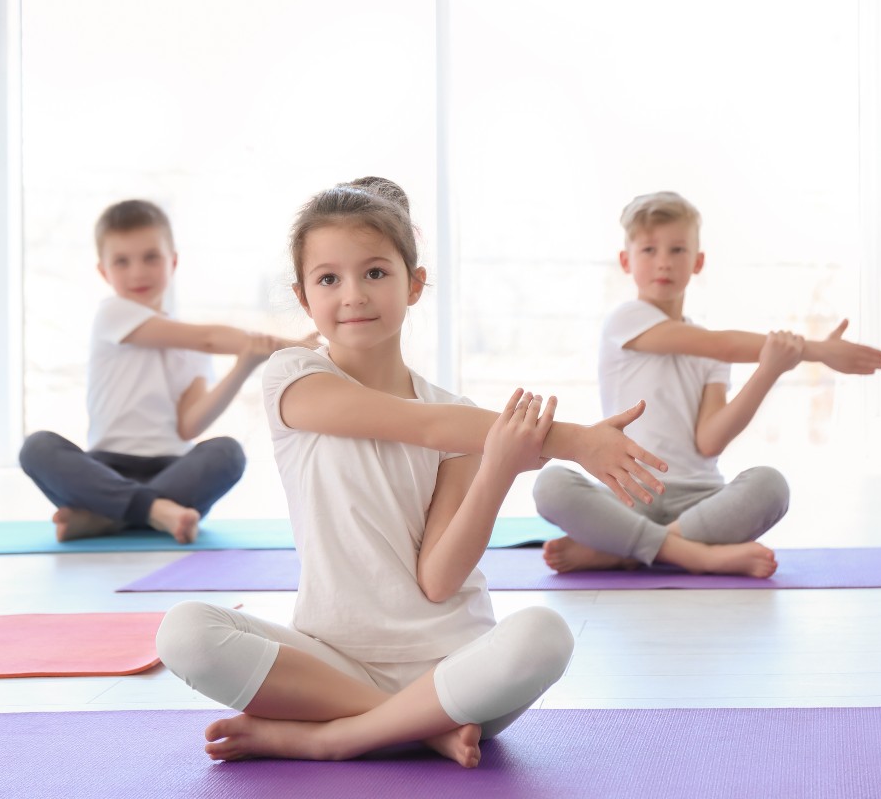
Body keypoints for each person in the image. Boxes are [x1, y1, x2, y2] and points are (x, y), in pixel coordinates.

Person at [156, 178, 668, 768]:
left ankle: (337, 738)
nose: (353, 295)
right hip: (330, 665)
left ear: (414, 284)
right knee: (185, 631)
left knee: (545, 635)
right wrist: (573, 439)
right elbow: (416, 425)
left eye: (375, 273)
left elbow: (438, 580)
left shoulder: (465, 425)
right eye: (329, 278)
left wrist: (500, 468)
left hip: (456, 674)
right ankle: (413, 729)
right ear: (303, 297)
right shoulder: (292, 378)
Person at [533, 190, 881, 579]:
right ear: (626, 261)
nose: (663, 262)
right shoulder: (626, 320)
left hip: (700, 501)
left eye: (678, 250)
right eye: (649, 250)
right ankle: (693, 555)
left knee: (771, 486)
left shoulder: (709, 350)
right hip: (628, 496)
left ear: (697, 261)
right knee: (551, 484)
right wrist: (817, 350)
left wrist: (769, 369)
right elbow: (722, 344)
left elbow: (710, 442)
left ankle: (626, 551)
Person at [19, 198, 317, 544]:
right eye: (122, 261)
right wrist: (292, 344)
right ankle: (156, 512)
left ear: (172, 261)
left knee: (227, 453)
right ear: (104, 272)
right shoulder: (113, 315)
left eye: (151, 257)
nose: (137, 272)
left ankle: (108, 517)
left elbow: (189, 425)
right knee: (36, 447)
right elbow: (207, 338)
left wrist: (244, 365)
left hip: (174, 471)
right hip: (103, 472)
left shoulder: (190, 350)